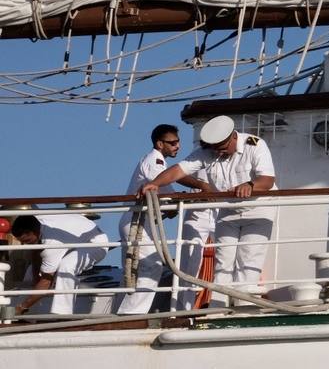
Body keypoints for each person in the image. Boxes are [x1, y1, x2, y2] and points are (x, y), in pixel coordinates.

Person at [141, 115, 276, 299]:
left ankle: (245, 306)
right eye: (215, 149)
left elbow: (267, 180)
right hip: (227, 210)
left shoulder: (255, 145)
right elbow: (179, 170)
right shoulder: (208, 151)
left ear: (233, 138)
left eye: (222, 148)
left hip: (258, 210)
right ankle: (219, 307)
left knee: (249, 259)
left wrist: (250, 186)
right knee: (223, 262)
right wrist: (155, 183)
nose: (218, 153)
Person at [117, 123, 206, 315]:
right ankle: (131, 314)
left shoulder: (158, 161)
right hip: (137, 222)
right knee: (152, 266)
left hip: (144, 222)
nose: (177, 146)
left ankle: (126, 313)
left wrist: (176, 203)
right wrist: (201, 186)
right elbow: (168, 179)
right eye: (172, 143)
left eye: (178, 142)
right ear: (159, 144)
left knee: (135, 271)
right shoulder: (154, 161)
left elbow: (166, 194)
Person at [10, 213, 110, 315]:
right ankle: (29, 311)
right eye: (22, 242)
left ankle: (62, 313)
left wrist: (22, 307)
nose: (25, 244)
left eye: (27, 241)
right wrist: (35, 281)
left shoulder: (51, 244)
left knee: (66, 267)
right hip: (74, 236)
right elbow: (36, 251)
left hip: (95, 242)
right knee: (30, 271)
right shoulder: (36, 221)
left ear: (35, 232)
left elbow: (46, 281)